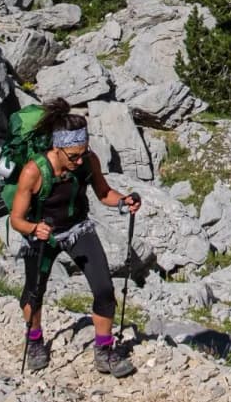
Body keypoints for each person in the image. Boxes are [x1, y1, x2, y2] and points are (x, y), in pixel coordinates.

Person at [8, 105, 142, 377]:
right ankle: (34, 341)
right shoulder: (33, 171)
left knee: (104, 289)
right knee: (34, 292)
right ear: (57, 148)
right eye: (73, 156)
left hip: (79, 229)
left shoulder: (88, 160)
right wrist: (34, 228)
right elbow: (16, 219)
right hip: (43, 234)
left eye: (83, 153)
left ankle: (104, 351)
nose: (79, 161)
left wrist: (123, 202)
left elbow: (104, 193)